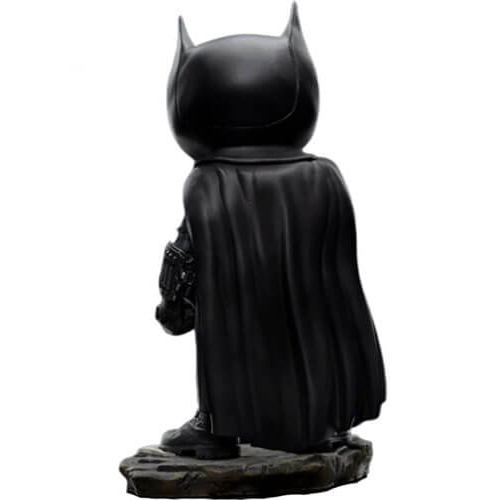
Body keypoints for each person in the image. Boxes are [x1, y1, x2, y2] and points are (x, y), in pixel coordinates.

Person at [155, 3, 386, 459]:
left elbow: (184, 264)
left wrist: (172, 302)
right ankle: (323, 418)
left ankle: (216, 425)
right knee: (313, 318)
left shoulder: (207, 184)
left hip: (235, 331)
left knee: (229, 327)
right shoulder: (324, 177)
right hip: (315, 336)